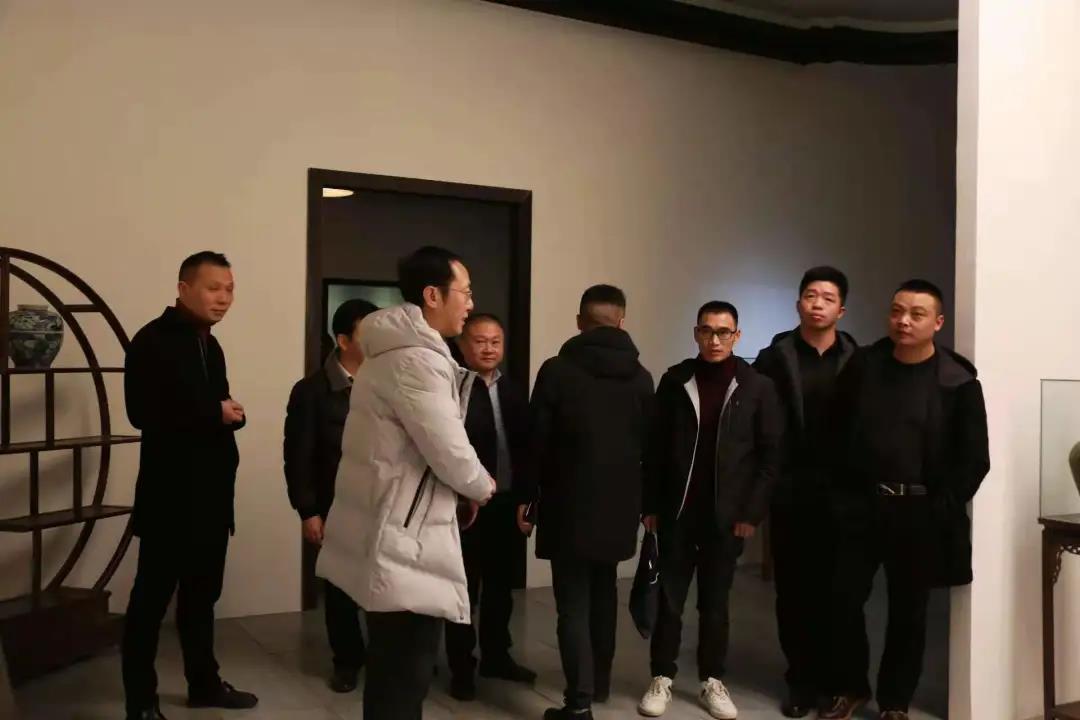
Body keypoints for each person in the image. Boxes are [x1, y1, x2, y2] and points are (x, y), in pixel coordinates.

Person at [316, 246, 496, 720]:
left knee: (393, 668)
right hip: (406, 537)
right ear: (433, 295)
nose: (471, 303)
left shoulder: (394, 351)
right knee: (404, 672)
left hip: (393, 523)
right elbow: (448, 448)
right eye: (465, 292)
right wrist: (482, 486)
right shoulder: (416, 359)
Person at [820, 280, 989, 720]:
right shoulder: (863, 367)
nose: (904, 321)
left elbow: (974, 459)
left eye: (916, 314)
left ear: (938, 322)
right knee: (842, 599)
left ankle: (895, 702)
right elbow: (833, 435)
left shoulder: (958, 381)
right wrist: (840, 498)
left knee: (909, 612)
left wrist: (941, 507)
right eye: (897, 311)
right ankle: (850, 687)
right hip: (861, 507)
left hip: (920, 513)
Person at [121, 251, 257, 720]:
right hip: (169, 498)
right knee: (149, 603)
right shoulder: (151, 341)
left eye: (230, 289)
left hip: (212, 498)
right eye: (213, 288)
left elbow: (213, 406)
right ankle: (141, 702)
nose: (224, 298)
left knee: (201, 599)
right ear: (183, 289)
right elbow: (142, 413)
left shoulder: (210, 345)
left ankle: (204, 684)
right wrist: (214, 412)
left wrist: (229, 414)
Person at [638, 301, 782, 720]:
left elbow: (770, 458)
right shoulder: (676, 381)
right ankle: (661, 676)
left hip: (727, 518)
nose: (715, 340)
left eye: (723, 332)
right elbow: (654, 449)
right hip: (677, 512)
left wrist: (751, 513)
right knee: (669, 601)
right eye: (707, 331)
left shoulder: (757, 387)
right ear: (696, 333)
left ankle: (712, 680)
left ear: (737, 336)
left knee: (715, 605)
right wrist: (650, 505)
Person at [520, 284, 654, 720]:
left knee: (572, 604)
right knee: (603, 595)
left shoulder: (557, 371)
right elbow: (649, 446)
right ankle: (599, 684)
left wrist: (527, 496)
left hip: (568, 505)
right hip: (619, 507)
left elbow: (536, 441)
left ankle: (577, 703)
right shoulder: (641, 378)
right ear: (621, 321)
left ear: (580, 321)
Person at [752, 267, 858, 718]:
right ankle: (801, 682)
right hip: (791, 491)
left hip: (843, 494)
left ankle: (835, 683)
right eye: (811, 295)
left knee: (839, 593)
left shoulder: (858, 361)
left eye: (827, 298)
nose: (818, 304)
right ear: (798, 304)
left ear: (841, 310)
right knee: (793, 592)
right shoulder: (773, 358)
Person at [283, 298, 379, 693]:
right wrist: (308, 510)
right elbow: (298, 455)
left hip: (382, 503)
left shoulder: (386, 383)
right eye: (367, 332)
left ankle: (383, 658)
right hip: (335, 503)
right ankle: (347, 661)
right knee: (340, 588)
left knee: (382, 584)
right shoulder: (312, 391)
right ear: (343, 340)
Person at [444, 313, 536, 701]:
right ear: (463, 345)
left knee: (501, 587)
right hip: (465, 505)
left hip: (507, 503)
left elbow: (528, 448)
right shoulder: (452, 387)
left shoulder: (513, 389)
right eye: (480, 341)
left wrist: (527, 499)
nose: (488, 349)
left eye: (495, 341)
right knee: (463, 589)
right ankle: (461, 667)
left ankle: (497, 656)